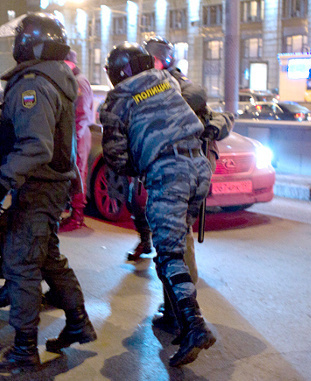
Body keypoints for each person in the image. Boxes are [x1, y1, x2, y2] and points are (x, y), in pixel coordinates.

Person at [0, 12, 97, 373]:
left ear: (30, 43)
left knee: (21, 264)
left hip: (38, 184)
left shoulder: (34, 84)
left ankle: (25, 350)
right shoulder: (49, 77)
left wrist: (0, 184)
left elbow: (35, 146)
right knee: (45, 257)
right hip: (48, 183)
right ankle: (77, 322)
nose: (15, 45)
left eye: (19, 39)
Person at [101, 42, 216, 366]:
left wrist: (142, 165)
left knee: (169, 254)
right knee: (178, 245)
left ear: (117, 72)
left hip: (169, 174)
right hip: (199, 169)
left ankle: (194, 325)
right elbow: (198, 100)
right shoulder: (167, 81)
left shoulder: (118, 98)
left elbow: (115, 155)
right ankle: (178, 319)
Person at [143, 36, 234, 331]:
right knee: (179, 238)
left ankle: (179, 313)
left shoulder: (171, 87)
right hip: (189, 171)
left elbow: (210, 113)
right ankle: (176, 308)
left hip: (180, 173)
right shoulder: (171, 85)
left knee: (178, 241)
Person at [58, 49, 94, 232]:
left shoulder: (79, 82)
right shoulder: (72, 80)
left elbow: (82, 114)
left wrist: (75, 137)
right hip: (74, 133)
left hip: (79, 134)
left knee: (79, 172)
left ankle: (78, 216)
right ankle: (74, 213)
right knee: (74, 172)